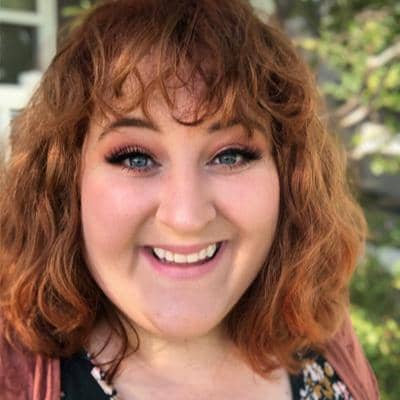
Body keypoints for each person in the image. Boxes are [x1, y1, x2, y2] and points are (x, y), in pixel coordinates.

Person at [0, 0, 379, 399]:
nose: (186, 217)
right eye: (136, 158)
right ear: (65, 182)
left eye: (230, 156)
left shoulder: (324, 340)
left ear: (289, 176)